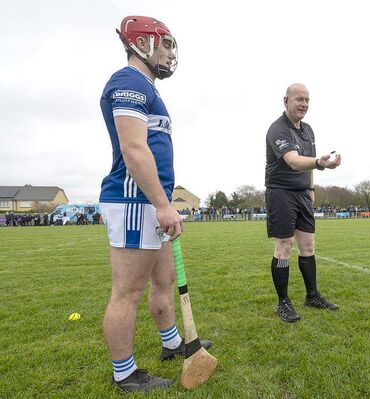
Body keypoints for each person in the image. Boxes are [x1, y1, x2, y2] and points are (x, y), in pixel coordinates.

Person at [99, 16, 211, 392]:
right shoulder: (128, 81)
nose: (169, 53)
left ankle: (172, 343)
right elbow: (133, 149)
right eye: (166, 44)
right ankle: (124, 373)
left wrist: (165, 203)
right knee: (127, 292)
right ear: (143, 43)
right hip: (135, 199)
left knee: (164, 281)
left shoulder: (148, 87)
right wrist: (163, 205)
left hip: (154, 201)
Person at [265, 83, 342, 323]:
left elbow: (307, 166)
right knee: (284, 247)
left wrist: (311, 188)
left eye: (307, 100)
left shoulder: (307, 130)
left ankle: (312, 295)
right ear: (286, 100)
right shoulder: (277, 129)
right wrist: (319, 162)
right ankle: (283, 302)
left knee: (308, 247)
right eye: (299, 99)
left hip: (302, 193)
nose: (304, 104)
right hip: (281, 192)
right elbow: (294, 161)